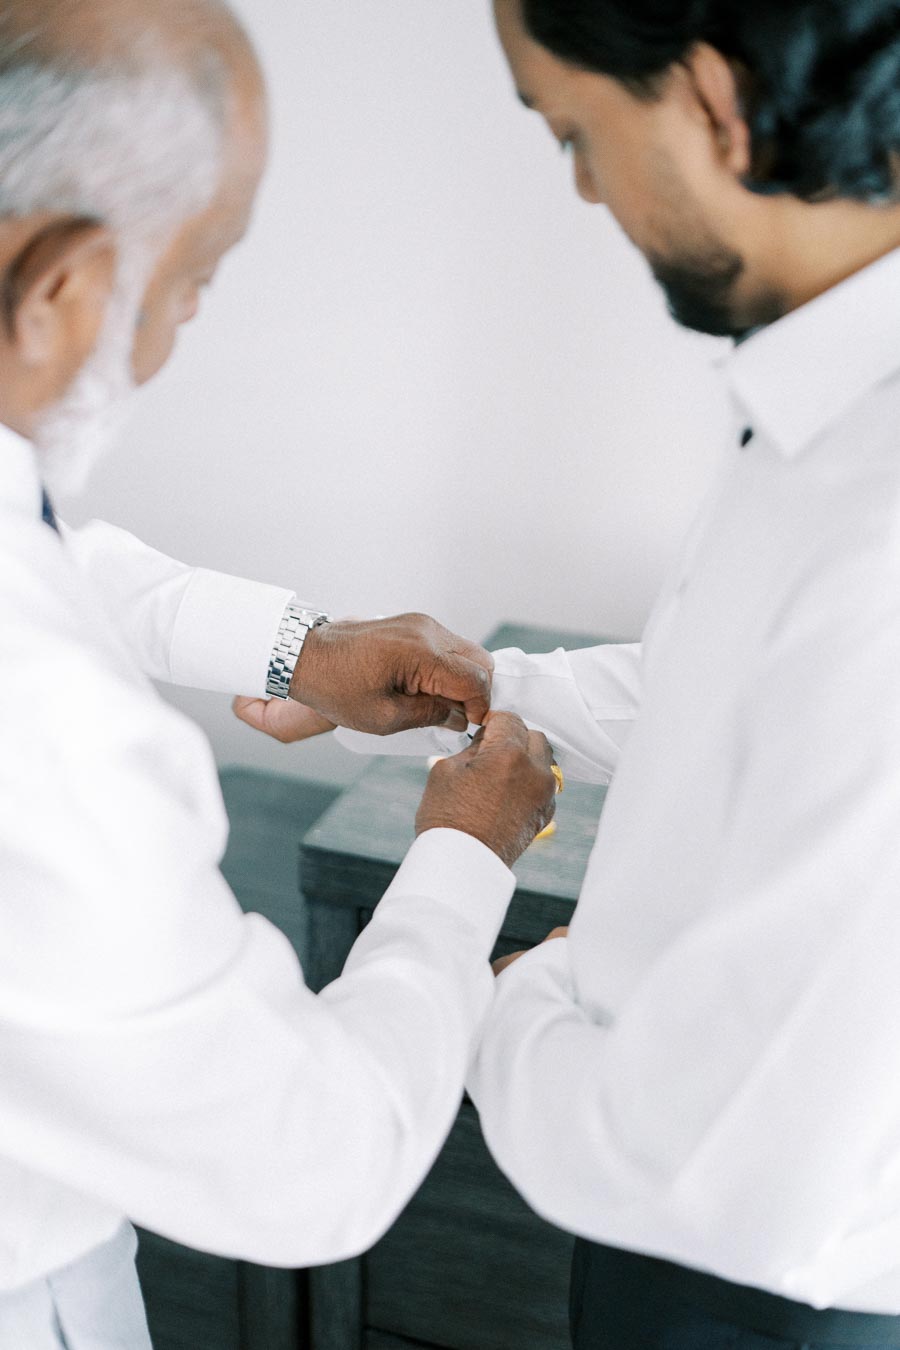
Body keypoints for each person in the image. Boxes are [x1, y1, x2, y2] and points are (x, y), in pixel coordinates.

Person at [334, 1, 900, 1346]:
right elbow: (730, 689)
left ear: (710, 99)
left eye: (576, 130)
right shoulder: (822, 405)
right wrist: (480, 690)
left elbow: (714, 1169)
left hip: (759, 1281)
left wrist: (520, 982)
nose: (584, 186)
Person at [0, 2, 559, 1345]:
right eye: (200, 280)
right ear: (65, 287)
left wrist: (291, 644)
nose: (185, 321)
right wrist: (463, 863)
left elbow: (46, 555)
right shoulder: (54, 739)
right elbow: (316, 1159)